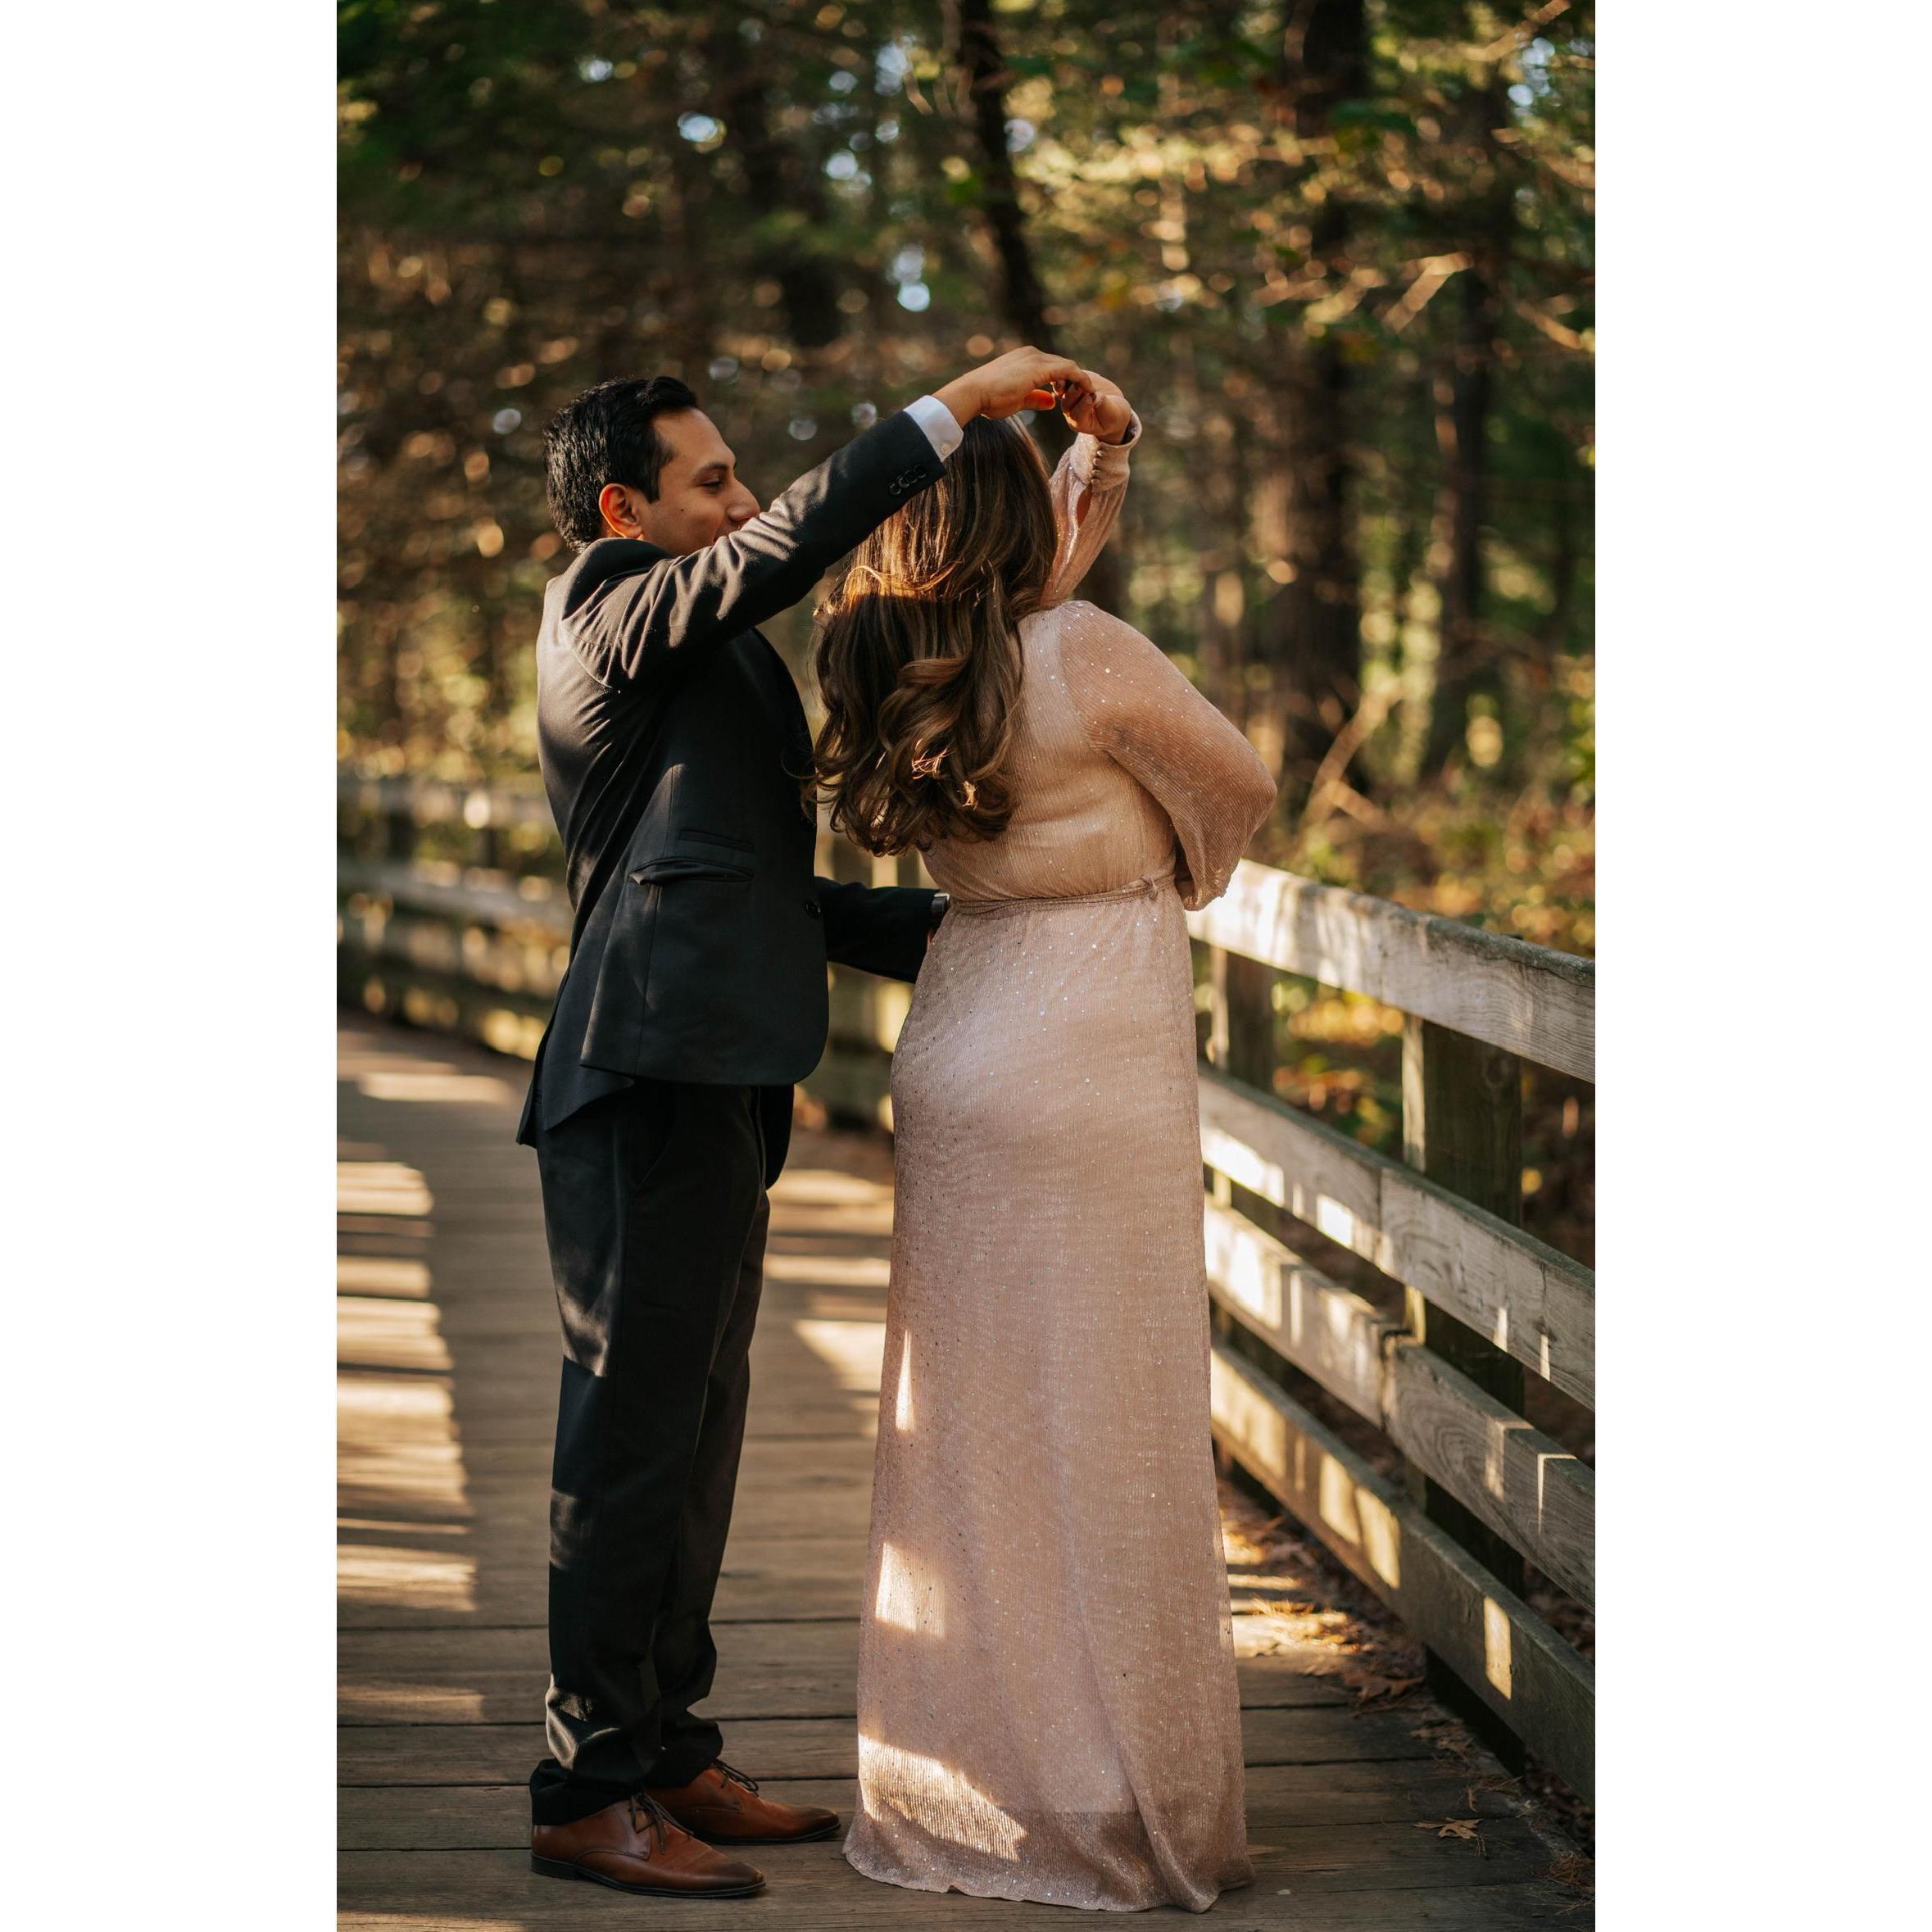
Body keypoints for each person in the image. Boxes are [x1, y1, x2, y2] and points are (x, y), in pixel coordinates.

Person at [516, 347, 1130, 1901]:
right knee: (628, 1440)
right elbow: (788, 545)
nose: (740, 501)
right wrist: (960, 405)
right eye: (710, 480)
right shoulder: (606, 603)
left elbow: (758, 892)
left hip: (718, 1071)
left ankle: (668, 1750)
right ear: (622, 510)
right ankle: (587, 1786)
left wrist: (972, 926)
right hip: (638, 1073)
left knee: (695, 1434)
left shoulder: (700, 656)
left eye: (740, 475)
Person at [812, 396, 1276, 1913]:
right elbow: (1238, 784)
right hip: (1089, 1038)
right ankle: (1117, 1786)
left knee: (975, 1426)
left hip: (961, 1033)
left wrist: (1103, 459)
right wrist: (1175, 866)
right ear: (1026, 525)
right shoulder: (1082, 649)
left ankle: (980, 1779)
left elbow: (1038, 589)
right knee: (1108, 1412)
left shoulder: (890, 653)